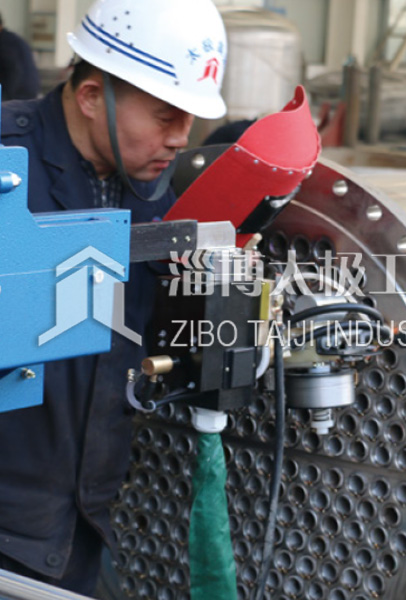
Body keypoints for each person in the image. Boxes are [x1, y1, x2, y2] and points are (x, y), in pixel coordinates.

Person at [0, 0, 227, 594]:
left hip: (86, 516)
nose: (180, 139)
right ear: (90, 96)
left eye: (190, 120)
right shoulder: (7, 169)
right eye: (166, 117)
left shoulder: (151, 187)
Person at [0, 12, 40, 101]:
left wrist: (6, 99)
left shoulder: (6, 43)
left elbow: (14, 71)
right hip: (24, 94)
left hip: (19, 96)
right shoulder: (11, 39)